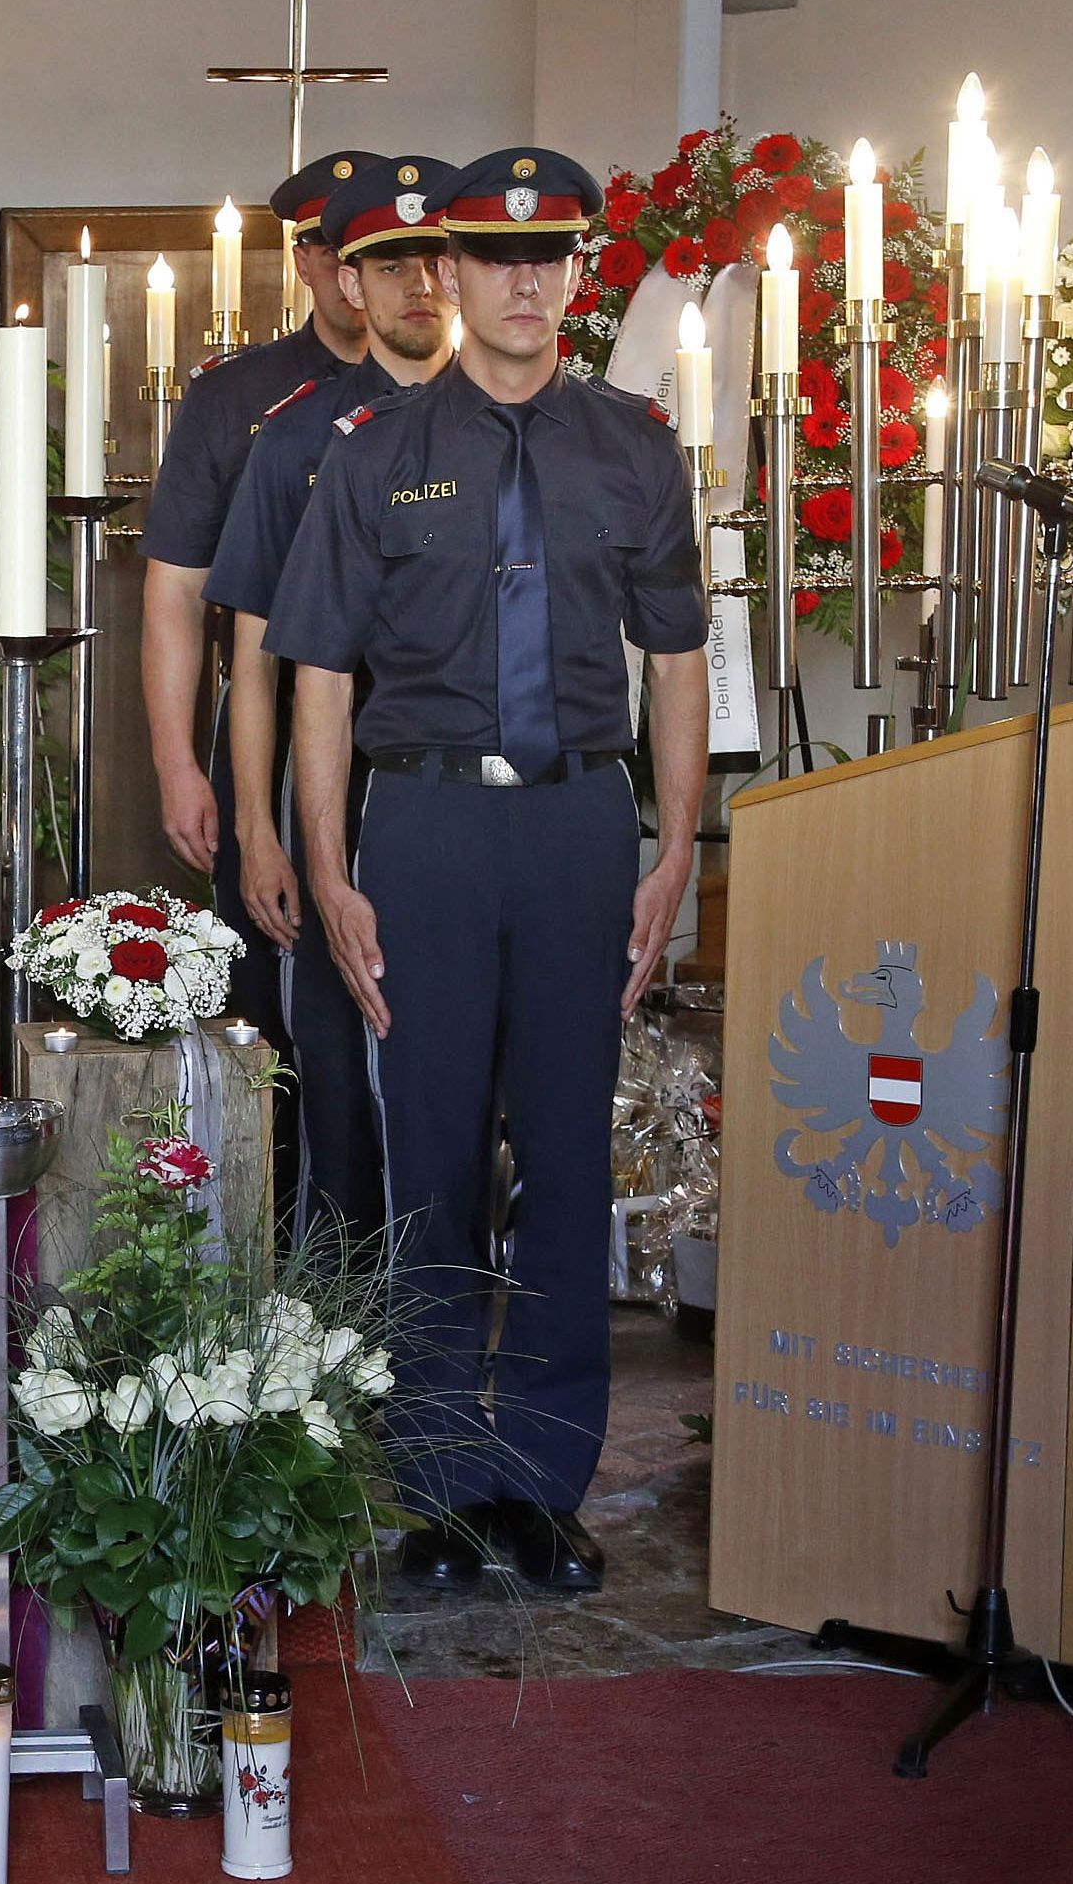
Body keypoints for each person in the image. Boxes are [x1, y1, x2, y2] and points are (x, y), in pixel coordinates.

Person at [267, 148, 708, 1596]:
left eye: (549, 257)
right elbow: (319, 674)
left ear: (574, 273)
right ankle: (441, 1486)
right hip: (430, 836)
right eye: (487, 255)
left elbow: (680, 665)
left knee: (570, 1157)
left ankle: (542, 1482)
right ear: (439, 272)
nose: (522, 281)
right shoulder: (373, 453)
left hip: (581, 826)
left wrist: (674, 851)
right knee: (431, 1161)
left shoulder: (634, 448)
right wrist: (328, 865)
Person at [203, 156, 459, 1242]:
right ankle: (345, 1334)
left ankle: (456, 1322)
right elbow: (256, 653)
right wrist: (261, 832)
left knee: (463, 1069)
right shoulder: (300, 437)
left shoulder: (512, 418)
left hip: (456, 792)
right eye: (385, 265)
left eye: (432, 259)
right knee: (337, 1085)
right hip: (332, 794)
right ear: (345, 285)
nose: (417, 285)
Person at [136, 149, 379, 1213]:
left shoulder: (446, 386)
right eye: (332, 253)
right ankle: (288, 1252)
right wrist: (177, 762)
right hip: (272, 725)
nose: (353, 275)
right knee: (282, 1001)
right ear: (310, 262)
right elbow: (177, 595)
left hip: (415, 721)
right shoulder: (238, 397)